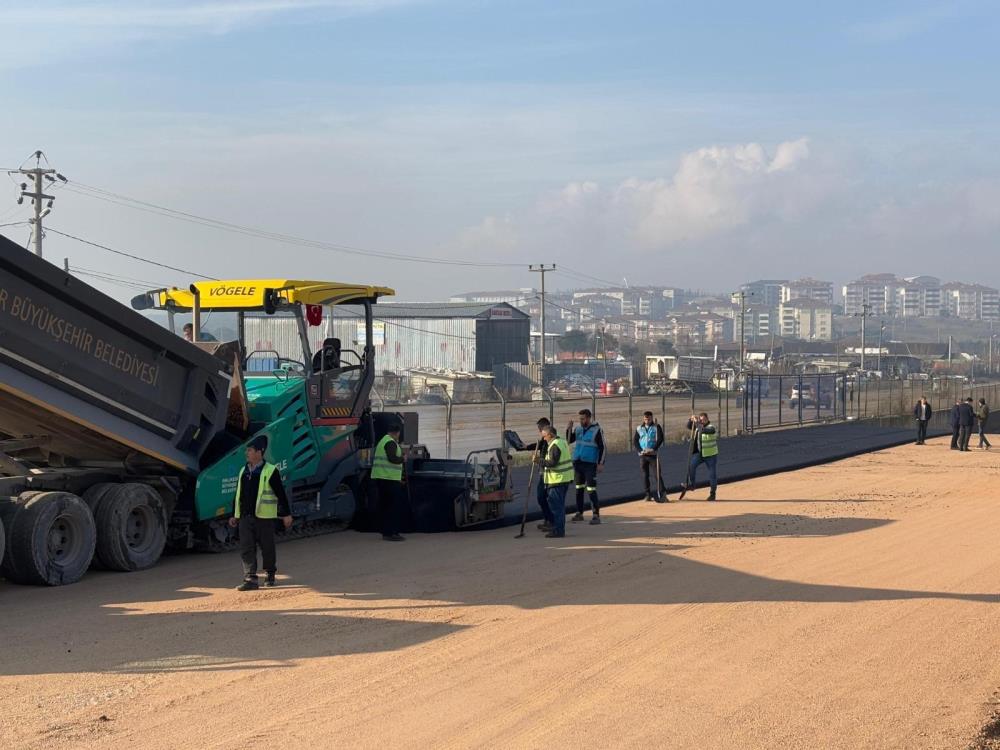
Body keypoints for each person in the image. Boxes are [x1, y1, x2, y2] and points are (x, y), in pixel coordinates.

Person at [228, 435, 292, 590]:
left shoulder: (271, 471)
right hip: (245, 517)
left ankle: (270, 574)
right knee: (247, 548)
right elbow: (238, 494)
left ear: (259, 452)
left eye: (249, 450)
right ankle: (250, 578)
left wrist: (286, 514)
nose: (246, 453)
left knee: (267, 547)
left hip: (264, 518)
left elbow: (280, 494)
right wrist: (235, 515)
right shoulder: (244, 470)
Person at [566, 409, 606, 525]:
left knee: (591, 489)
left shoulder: (597, 430)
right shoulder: (578, 429)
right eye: (580, 418)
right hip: (578, 463)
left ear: (589, 418)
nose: (581, 420)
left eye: (583, 418)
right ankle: (579, 513)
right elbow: (569, 440)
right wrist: (568, 428)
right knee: (578, 488)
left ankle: (596, 515)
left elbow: (603, 447)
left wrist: (600, 463)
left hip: (590, 464)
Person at [516, 418, 556, 532]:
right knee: (542, 498)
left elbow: (552, 461)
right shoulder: (544, 440)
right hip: (544, 473)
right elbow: (537, 445)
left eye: (540, 429)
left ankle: (551, 521)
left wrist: (538, 460)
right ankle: (548, 519)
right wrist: (526, 447)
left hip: (549, 474)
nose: (539, 431)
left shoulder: (551, 441)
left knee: (544, 498)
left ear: (546, 428)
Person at [535, 424, 573, 538]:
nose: (543, 439)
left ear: (550, 435)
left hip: (558, 479)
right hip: (563, 478)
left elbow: (552, 463)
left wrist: (539, 460)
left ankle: (558, 530)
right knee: (559, 506)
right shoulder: (561, 441)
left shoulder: (555, 445)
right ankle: (558, 529)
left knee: (557, 507)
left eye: (545, 436)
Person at [372, 422, 406, 541]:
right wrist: (403, 458)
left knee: (385, 507)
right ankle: (392, 533)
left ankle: (386, 532)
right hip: (389, 480)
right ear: (397, 433)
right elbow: (392, 459)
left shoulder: (382, 441)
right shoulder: (390, 443)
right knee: (393, 507)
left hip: (382, 478)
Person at [683, 412, 719, 501]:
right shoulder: (698, 426)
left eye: (703, 419)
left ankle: (712, 494)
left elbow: (704, 430)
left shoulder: (711, 427)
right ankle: (692, 485)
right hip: (700, 454)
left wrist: (697, 423)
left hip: (711, 455)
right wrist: (691, 419)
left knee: (712, 475)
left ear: (707, 419)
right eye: (701, 419)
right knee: (691, 466)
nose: (702, 421)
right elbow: (688, 426)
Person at [633, 411, 665, 502]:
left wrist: (654, 449)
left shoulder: (656, 427)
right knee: (645, 476)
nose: (647, 420)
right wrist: (640, 450)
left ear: (652, 418)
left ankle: (663, 494)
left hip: (653, 455)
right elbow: (635, 441)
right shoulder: (639, 428)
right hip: (643, 455)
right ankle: (647, 495)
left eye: (649, 418)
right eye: (646, 418)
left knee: (657, 475)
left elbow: (660, 439)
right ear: (644, 419)